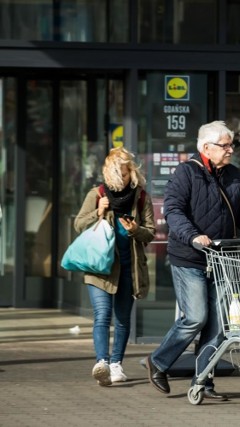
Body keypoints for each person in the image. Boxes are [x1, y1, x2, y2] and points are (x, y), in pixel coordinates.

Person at [146, 120, 240, 399]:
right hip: (190, 257)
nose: (231, 149)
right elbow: (173, 210)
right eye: (225, 145)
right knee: (196, 317)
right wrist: (193, 236)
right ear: (206, 148)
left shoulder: (232, 173)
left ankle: (203, 381)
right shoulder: (186, 172)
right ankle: (159, 362)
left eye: (231, 144)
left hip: (222, 257)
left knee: (218, 323)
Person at [74, 147, 156, 386]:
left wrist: (135, 230)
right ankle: (102, 362)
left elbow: (150, 233)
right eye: (119, 173)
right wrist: (98, 212)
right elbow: (79, 224)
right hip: (100, 267)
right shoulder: (97, 194)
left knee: (122, 319)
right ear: (110, 173)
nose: (124, 177)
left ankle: (116, 364)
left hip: (129, 268)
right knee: (102, 315)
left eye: (127, 172)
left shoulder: (141, 197)